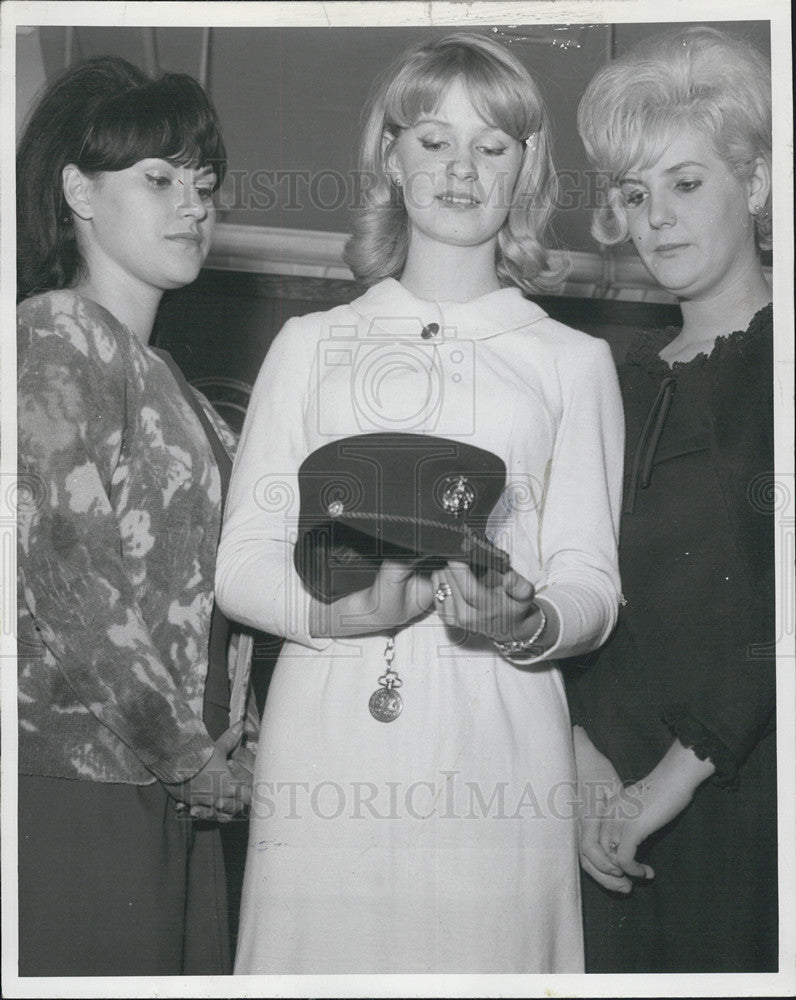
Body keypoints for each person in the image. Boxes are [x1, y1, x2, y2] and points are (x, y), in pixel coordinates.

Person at [216, 31, 624, 974]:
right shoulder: (310, 343)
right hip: (325, 730)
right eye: (433, 139)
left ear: (526, 171)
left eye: (493, 145)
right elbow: (242, 564)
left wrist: (526, 622)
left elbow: (592, 581)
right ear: (389, 158)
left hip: (500, 738)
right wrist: (338, 613)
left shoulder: (574, 361)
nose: (461, 168)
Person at [16, 56, 256, 976]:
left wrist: (236, 730)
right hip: (82, 775)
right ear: (77, 189)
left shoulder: (188, 394)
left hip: (181, 779)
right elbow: (69, 574)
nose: (192, 205)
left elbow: (216, 594)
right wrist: (186, 756)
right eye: (158, 180)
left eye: (204, 185)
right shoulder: (53, 332)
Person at [565, 26, 777, 973]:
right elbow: (574, 588)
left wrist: (671, 781)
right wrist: (580, 764)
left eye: (687, 185)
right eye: (635, 195)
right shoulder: (610, 378)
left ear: (759, 186)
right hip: (607, 811)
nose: (659, 219)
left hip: (743, 797)